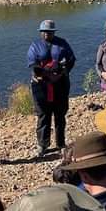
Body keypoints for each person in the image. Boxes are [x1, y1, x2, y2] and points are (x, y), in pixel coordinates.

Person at [27, 19, 77, 156]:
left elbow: (71, 60)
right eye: (44, 32)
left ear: (53, 32)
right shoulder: (35, 46)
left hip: (60, 84)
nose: (46, 34)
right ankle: (43, 145)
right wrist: (41, 75)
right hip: (41, 86)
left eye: (49, 32)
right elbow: (32, 64)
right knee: (43, 115)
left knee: (60, 115)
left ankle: (60, 143)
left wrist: (62, 73)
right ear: (40, 32)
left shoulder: (62, 44)